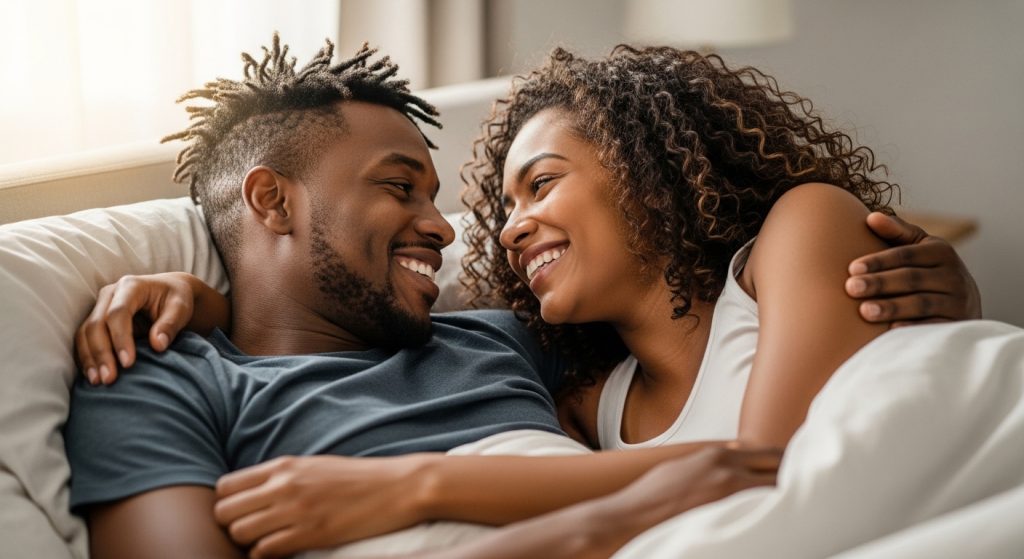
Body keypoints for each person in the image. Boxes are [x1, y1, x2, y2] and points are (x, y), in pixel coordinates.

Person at [69, 38, 982, 559]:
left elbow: (756, 447)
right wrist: (199, 300)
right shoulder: (158, 374)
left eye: (443, 196)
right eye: (401, 189)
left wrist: (951, 281)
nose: (452, 228)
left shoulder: (499, 341)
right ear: (271, 200)